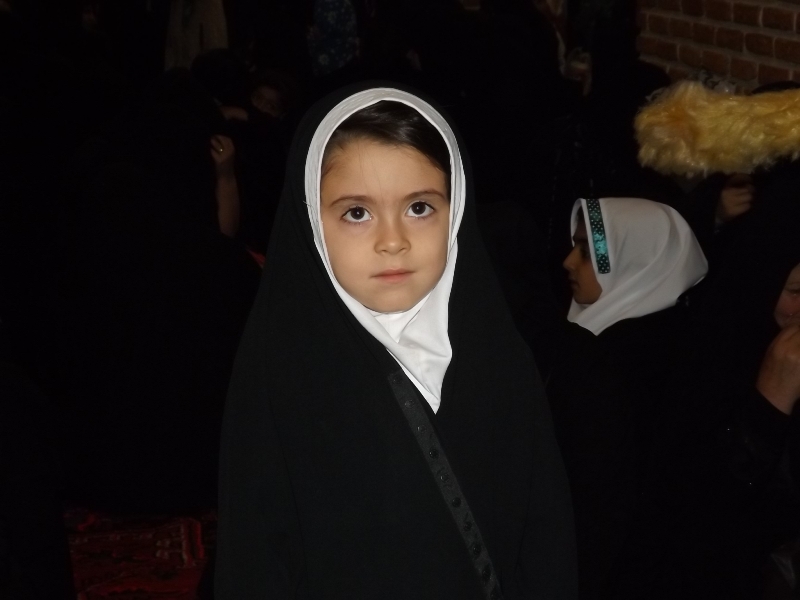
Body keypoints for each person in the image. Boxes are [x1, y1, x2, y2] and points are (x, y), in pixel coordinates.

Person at [215, 84, 578, 599]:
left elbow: (543, 531)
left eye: (420, 207)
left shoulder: (499, 357)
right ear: (312, 220)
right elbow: (256, 550)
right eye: (356, 213)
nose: (392, 241)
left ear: (456, 211)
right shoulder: (283, 371)